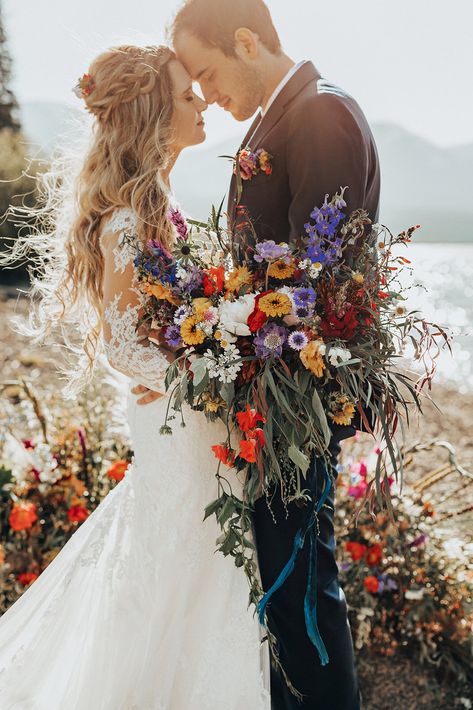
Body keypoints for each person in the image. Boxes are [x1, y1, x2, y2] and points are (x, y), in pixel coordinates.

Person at [0, 44, 270, 709]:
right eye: (186, 96)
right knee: (182, 564)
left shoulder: (159, 202)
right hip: (176, 417)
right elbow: (124, 344)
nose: (202, 100)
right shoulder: (126, 220)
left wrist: (211, 354)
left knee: (199, 568)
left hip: (183, 411)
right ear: (152, 115)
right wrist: (213, 376)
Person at [171, 2, 381, 707]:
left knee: (302, 596)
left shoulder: (320, 114)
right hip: (268, 395)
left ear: (245, 41)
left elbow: (315, 275)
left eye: (206, 73)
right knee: (281, 594)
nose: (205, 95)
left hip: (293, 401)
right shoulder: (276, 117)